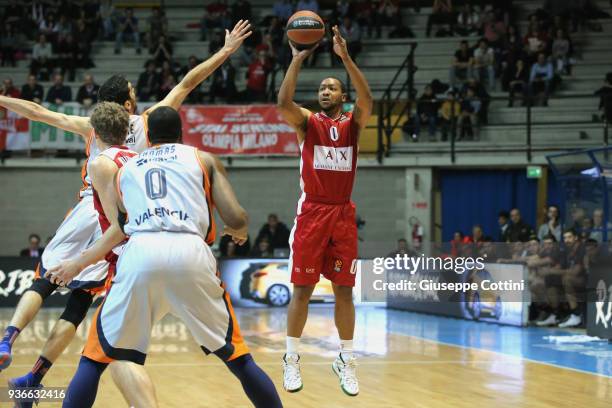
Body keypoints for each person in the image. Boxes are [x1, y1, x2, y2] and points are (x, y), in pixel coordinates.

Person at [0, 20, 252, 393]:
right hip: (124, 220)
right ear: (129, 103)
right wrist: (226, 51)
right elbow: (187, 82)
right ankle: (37, 375)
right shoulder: (149, 122)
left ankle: (9, 339)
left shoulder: (91, 127)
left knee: (45, 279)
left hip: (92, 208)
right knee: (82, 302)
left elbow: (37, 112)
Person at [49, 106, 282, 408]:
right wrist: (239, 230)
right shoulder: (202, 158)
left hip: (140, 253)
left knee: (94, 356)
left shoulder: (126, 170)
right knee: (238, 357)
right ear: (181, 132)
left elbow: (119, 229)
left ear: (148, 135)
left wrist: (77, 263)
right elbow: (236, 216)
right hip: (190, 252)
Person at [277, 25, 372, 396]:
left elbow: (368, 101)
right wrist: (296, 61)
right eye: (322, 89)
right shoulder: (308, 122)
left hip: (342, 214)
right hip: (312, 213)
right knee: (301, 290)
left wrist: (345, 58)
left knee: (344, 291)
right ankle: (291, 359)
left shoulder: (353, 125)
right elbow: (283, 103)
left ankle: (346, 359)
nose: (325, 92)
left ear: (342, 95)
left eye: (332, 87)